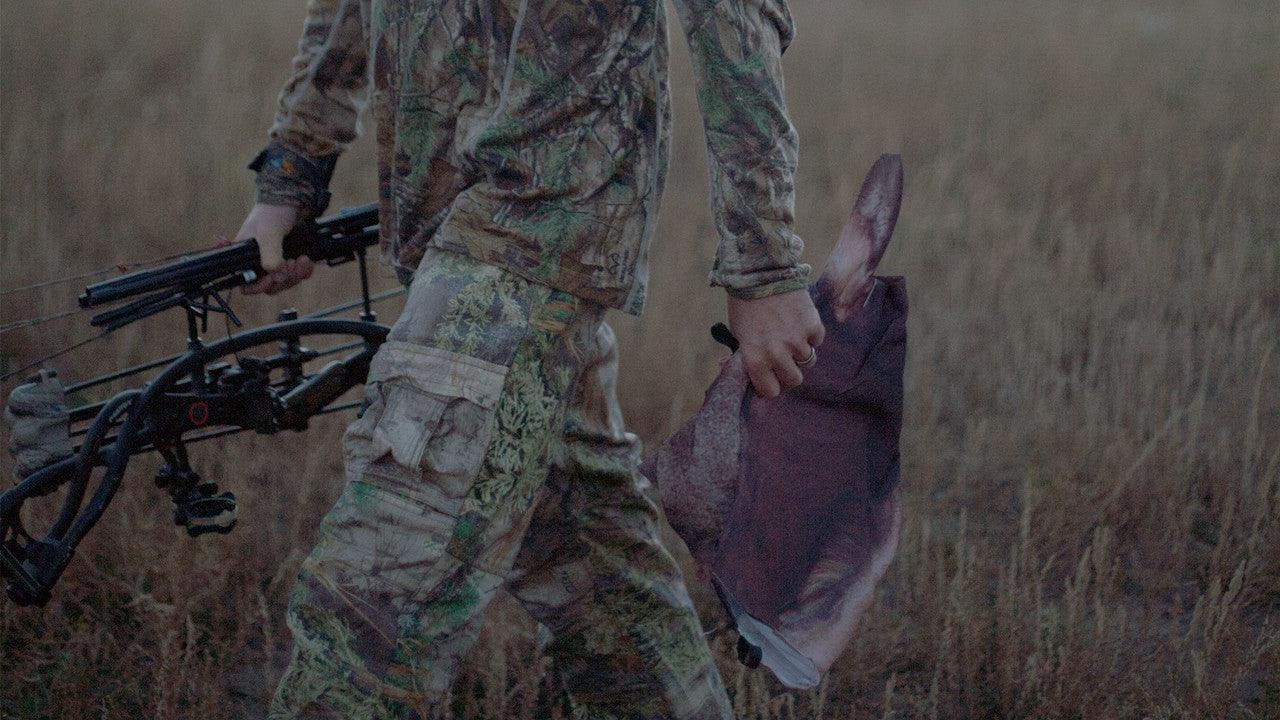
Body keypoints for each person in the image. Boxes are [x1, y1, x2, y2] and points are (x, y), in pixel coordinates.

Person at [236, 0, 823, 716]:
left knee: (375, 606)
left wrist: (763, 266)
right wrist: (294, 171)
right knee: (605, 589)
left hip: (544, 218)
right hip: (448, 231)